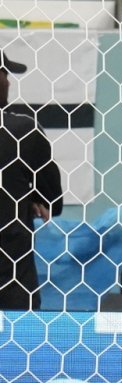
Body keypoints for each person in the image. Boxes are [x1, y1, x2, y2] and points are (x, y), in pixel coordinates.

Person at [0, 50, 63, 310]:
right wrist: (30, 197)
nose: (9, 82)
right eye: (5, 74)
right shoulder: (22, 131)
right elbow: (53, 201)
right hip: (10, 283)